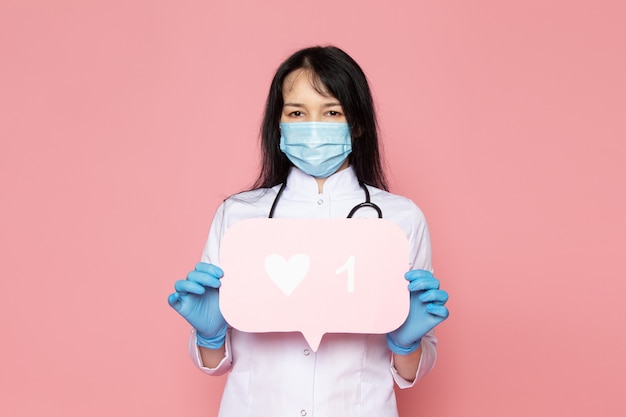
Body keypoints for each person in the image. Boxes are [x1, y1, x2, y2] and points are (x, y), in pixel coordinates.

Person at [167, 45, 449, 417]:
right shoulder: (239, 217)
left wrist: (407, 343)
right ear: (279, 125)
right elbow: (216, 362)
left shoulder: (399, 220)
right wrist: (210, 335)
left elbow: (410, 370)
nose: (313, 126)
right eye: (297, 113)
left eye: (332, 112)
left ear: (358, 123)